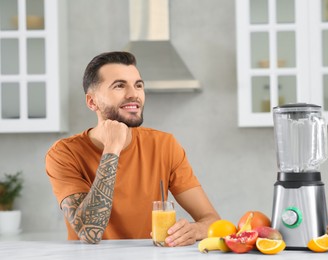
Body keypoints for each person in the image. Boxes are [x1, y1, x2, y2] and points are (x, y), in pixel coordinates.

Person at [45, 51, 220, 246]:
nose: (133, 94)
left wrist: (195, 230)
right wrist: (112, 149)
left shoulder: (164, 145)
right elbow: (89, 233)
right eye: (119, 86)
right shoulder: (63, 153)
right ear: (92, 101)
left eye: (138, 85)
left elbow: (212, 220)